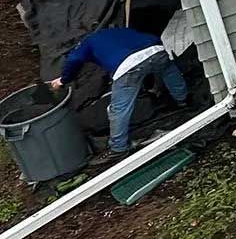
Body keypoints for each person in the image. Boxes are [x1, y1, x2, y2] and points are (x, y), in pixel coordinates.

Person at [50, 25, 189, 158]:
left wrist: (63, 80)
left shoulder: (87, 42)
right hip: (156, 49)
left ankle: (118, 148)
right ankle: (184, 100)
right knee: (169, 71)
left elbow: (75, 59)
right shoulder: (116, 31)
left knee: (119, 108)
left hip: (128, 66)